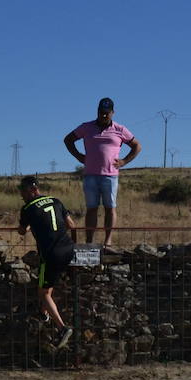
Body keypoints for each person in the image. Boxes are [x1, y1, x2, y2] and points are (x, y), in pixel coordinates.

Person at [63, 97, 141, 248]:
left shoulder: (120, 129)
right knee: (91, 208)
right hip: (91, 175)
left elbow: (137, 146)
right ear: (97, 112)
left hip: (110, 176)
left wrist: (124, 161)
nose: (104, 115)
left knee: (110, 208)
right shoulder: (86, 127)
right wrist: (79, 156)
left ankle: (108, 241)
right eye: (101, 112)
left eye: (107, 113)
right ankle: (90, 241)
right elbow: (68, 140)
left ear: (112, 112)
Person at [17, 175, 76, 349]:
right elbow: (71, 225)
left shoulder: (27, 208)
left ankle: (62, 328)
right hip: (68, 248)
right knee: (47, 284)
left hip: (50, 254)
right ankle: (44, 312)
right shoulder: (56, 200)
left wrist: (29, 225)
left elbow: (21, 231)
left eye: (24, 192)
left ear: (34, 190)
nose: (22, 195)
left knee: (43, 293)